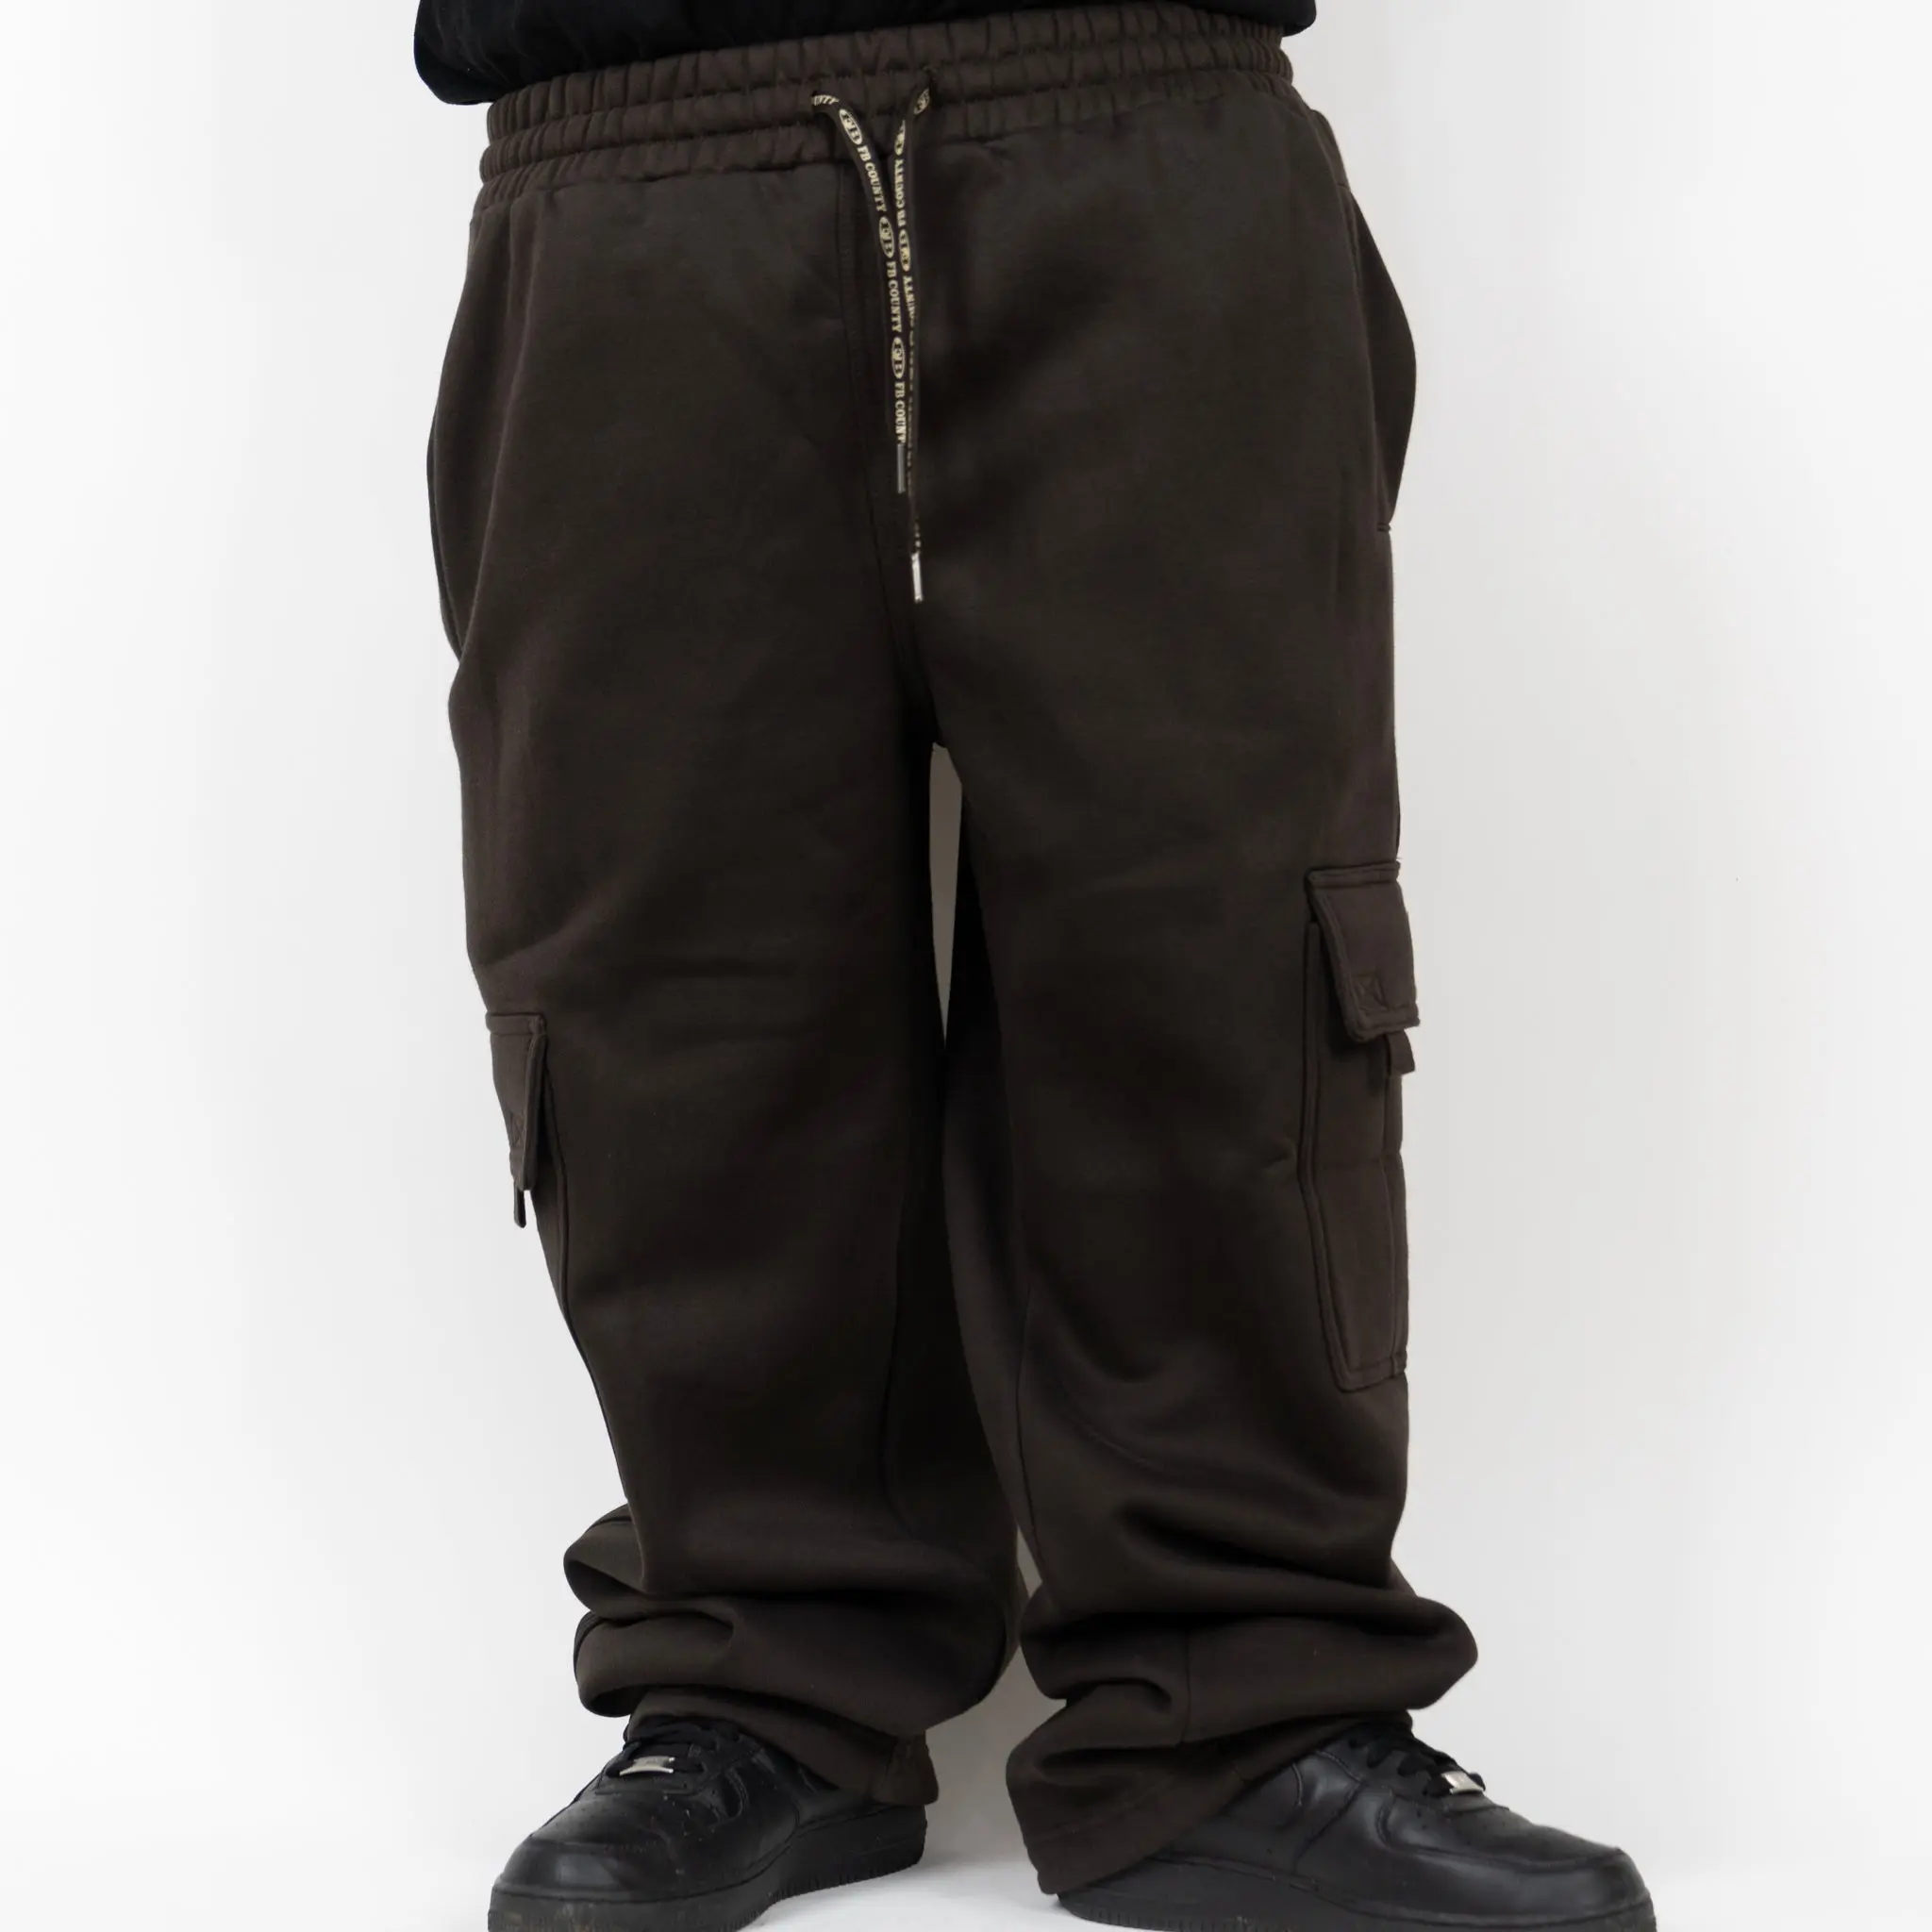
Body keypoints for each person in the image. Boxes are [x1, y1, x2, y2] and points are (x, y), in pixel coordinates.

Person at [418, 3, 1653, 1928]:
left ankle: (1244, 1709)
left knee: (1220, 951)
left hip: (1138, 105)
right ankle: (761, 1686)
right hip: (627, 153)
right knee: (668, 981)